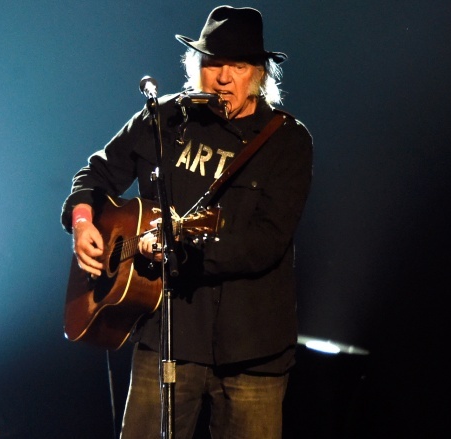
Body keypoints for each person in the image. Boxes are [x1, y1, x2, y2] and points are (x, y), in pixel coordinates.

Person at [60, 5, 313, 439]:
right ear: (197, 66)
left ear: (258, 73)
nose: (223, 77)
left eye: (238, 65)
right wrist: (83, 221)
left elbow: (266, 242)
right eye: (213, 63)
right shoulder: (162, 118)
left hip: (253, 350)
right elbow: (95, 175)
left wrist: (182, 247)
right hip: (166, 334)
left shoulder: (288, 141)